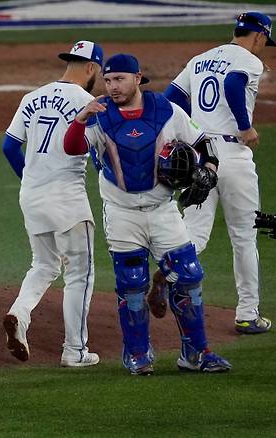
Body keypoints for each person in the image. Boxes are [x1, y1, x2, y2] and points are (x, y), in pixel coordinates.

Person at [63, 54, 232, 375]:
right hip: (122, 214)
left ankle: (196, 353)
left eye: (120, 79)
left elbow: (202, 142)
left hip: (163, 210)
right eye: (108, 80)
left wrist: (209, 169)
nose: (112, 87)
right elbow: (72, 147)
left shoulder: (166, 109)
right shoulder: (99, 116)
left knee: (189, 275)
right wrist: (81, 117)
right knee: (132, 284)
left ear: (137, 78)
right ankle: (137, 354)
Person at [156, 11, 274, 334]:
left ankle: (168, 273)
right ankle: (248, 314)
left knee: (193, 233)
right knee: (244, 235)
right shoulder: (248, 60)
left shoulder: (200, 60)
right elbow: (235, 84)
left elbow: (170, 101)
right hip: (233, 156)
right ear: (259, 36)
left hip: (200, 157)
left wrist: (180, 135)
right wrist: (245, 125)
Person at [1, 41, 102, 367]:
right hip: (67, 199)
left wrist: (30, 179)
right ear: (92, 68)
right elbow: (101, 154)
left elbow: (8, 146)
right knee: (80, 273)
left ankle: (19, 314)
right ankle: (74, 351)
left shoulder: (31, 97)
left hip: (31, 195)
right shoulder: (88, 102)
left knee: (44, 265)